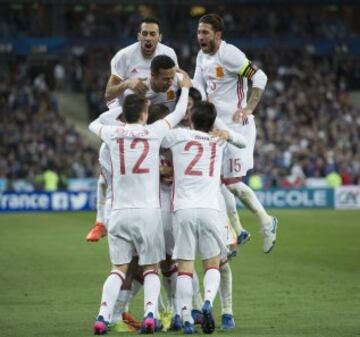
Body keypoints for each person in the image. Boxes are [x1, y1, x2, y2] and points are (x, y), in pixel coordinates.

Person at [88, 74, 191, 335]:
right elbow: (179, 112)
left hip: (119, 213)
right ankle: (149, 315)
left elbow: (93, 125)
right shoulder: (155, 132)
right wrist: (187, 89)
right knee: (151, 268)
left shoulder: (112, 133)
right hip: (148, 213)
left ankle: (102, 316)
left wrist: (125, 107)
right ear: (145, 114)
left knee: (119, 269)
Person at [193, 14, 278, 256]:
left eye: (205, 33)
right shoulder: (202, 56)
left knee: (231, 182)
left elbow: (259, 77)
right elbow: (199, 85)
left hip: (237, 128)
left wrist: (249, 108)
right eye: (199, 32)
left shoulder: (230, 55)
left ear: (218, 35)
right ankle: (237, 231)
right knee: (217, 181)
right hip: (216, 126)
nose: (200, 37)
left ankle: (265, 220)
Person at [161, 101, 247, 334]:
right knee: (212, 264)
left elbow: (155, 138)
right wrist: (226, 133)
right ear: (212, 123)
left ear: (190, 119)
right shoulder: (218, 141)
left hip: (184, 210)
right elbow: (243, 141)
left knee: (185, 268)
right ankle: (209, 301)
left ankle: (188, 318)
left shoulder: (178, 136)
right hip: (211, 210)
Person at [105, 17, 178, 108]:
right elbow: (108, 94)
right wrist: (127, 84)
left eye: (152, 34)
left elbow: (176, 79)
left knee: (173, 93)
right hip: (127, 107)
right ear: (139, 37)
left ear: (160, 37)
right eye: (144, 34)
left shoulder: (169, 53)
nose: (148, 38)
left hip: (157, 105)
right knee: (130, 92)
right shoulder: (124, 55)